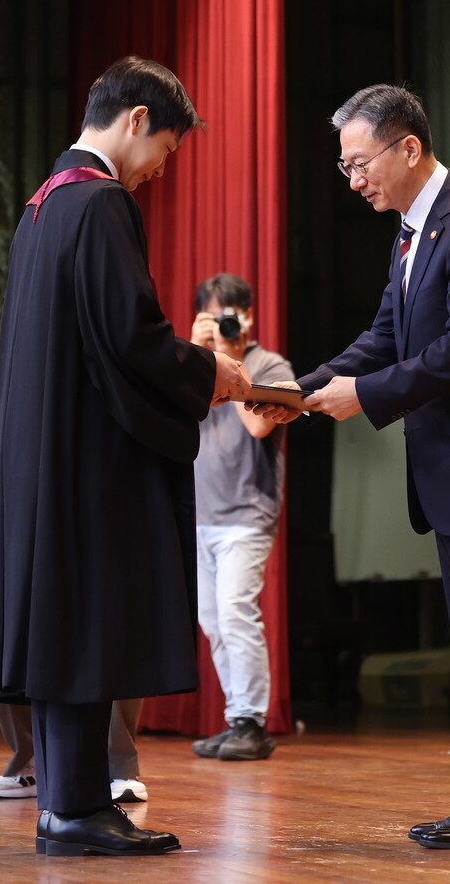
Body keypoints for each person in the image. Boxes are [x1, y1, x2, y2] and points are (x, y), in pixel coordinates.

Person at [252, 84, 450, 849]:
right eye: (344, 168)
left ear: (408, 147)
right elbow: (387, 333)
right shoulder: (414, 229)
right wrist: (294, 392)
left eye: (360, 162)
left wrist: (361, 395)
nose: (354, 179)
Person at [0, 56, 250, 857]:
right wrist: (212, 374)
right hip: (86, 460)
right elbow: (130, 339)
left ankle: (69, 803)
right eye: (165, 149)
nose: (160, 171)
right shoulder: (100, 203)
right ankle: (73, 808)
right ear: (135, 119)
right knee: (89, 624)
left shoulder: (42, 206)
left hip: (43, 453)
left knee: (69, 628)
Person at [0, 395, 149, 804]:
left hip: (88, 521)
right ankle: (28, 764)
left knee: (105, 643)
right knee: (17, 643)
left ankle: (118, 769)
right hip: (23, 529)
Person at [187, 273, 292, 762]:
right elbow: (173, 412)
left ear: (249, 317)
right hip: (201, 512)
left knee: (235, 611)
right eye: (216, 314)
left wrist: (234, 359)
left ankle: (252, 722)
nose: (228, 322)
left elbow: (255, 425)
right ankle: (237, 720)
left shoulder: (270, 364)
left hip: (248, 513)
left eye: (234, 313)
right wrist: (193, 353)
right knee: (213, 620)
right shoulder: (194, 364)